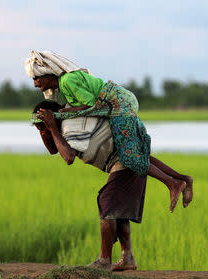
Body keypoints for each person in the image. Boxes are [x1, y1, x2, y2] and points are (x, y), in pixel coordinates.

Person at [33, 100, 192, 271]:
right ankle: (127, 257)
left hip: (123, 161)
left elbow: (68, 157)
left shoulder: (70, 126)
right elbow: (53, 150)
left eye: (44, 127)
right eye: (38, 129)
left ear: (57, 117)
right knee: (119, 211)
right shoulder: (58, 129)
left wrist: (52, 128)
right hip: (122, 162)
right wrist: (45, 129)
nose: (43, 131)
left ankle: (104, 260)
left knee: (107, 202)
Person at [25, 50, 193, 211]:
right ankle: (183, 178)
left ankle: (172, 184)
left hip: (119, 105)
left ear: (48, 74)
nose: (35, 84)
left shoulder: (67, 81)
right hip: (114, 106)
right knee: (136, 153)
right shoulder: (64, 85)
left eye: (36, 79)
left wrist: (59, 115)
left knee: (130, 158)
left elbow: (90, 104)